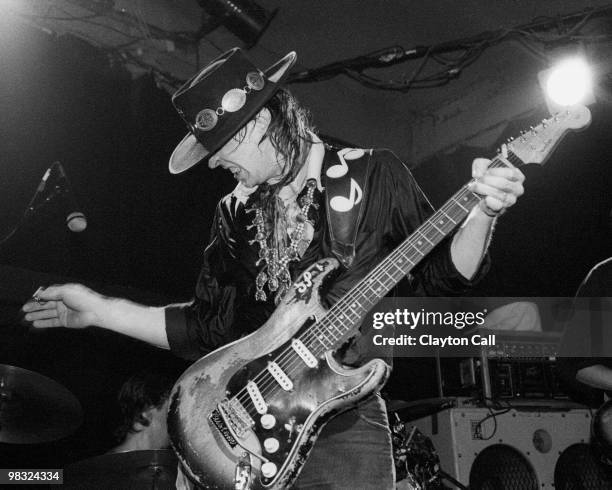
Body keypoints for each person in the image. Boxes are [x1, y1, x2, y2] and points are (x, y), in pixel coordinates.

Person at [22, 48, 525, 489]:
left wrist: (483, 212)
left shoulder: (375, 173)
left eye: (221, 147)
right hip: (242, 430)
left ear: (260, 123)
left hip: (343, 420)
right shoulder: (233, 215)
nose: (216, 164)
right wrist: (100, 310)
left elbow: (441, 279)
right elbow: (204, 329)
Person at [109, 370, 175, 454]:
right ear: (146, 414)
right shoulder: (105, 466)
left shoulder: (170, 463)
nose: (176, 420)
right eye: (170, 411)